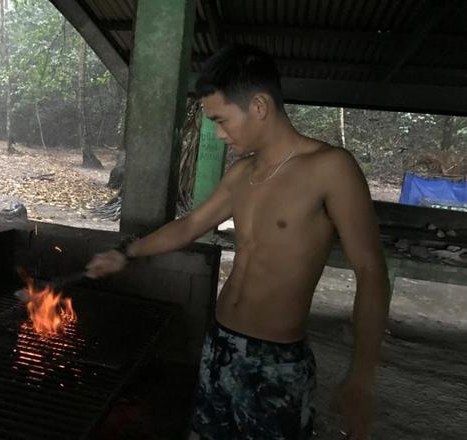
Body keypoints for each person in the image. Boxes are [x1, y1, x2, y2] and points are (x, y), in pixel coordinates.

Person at [86, 45, 390, 440]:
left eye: (221, 120)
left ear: (259, 106)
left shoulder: (331, 169)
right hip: (220, 344)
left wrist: (363, 376)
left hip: (276, 361)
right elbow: (190, 224)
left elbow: (371, 271)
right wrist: (125, 253)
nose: (217, 133)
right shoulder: (242, 173)